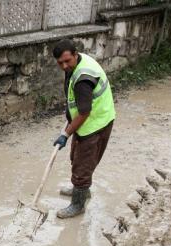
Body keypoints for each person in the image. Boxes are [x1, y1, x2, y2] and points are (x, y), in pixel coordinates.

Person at [52, 39, 115, 219]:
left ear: (75, 54)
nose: (64, 66)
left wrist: (65, 134)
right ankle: (80, 189)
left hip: (96, 123)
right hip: (89, 121)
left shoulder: (83, 79)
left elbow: (84, 112)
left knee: (83, 166)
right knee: (76, 158)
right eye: (60, 63)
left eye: (67, 61)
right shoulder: (78, 63)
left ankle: (78, 204)